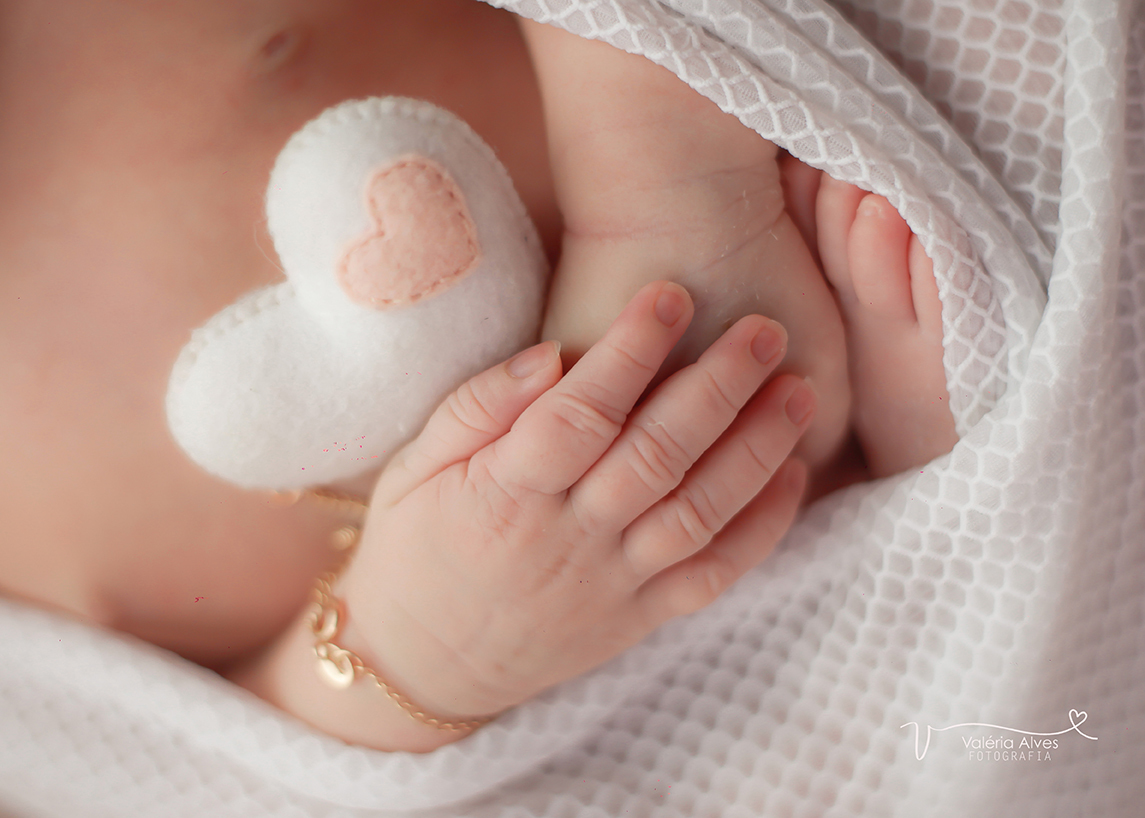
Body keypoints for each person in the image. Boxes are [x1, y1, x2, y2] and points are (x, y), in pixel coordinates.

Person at [0, 0, 956, 756]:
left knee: (928, 248)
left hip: (729, 124)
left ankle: (917, 463)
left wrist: (669, 197)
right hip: (591, 646)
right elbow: (153, 769)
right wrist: (418, 649)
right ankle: (910, 497)